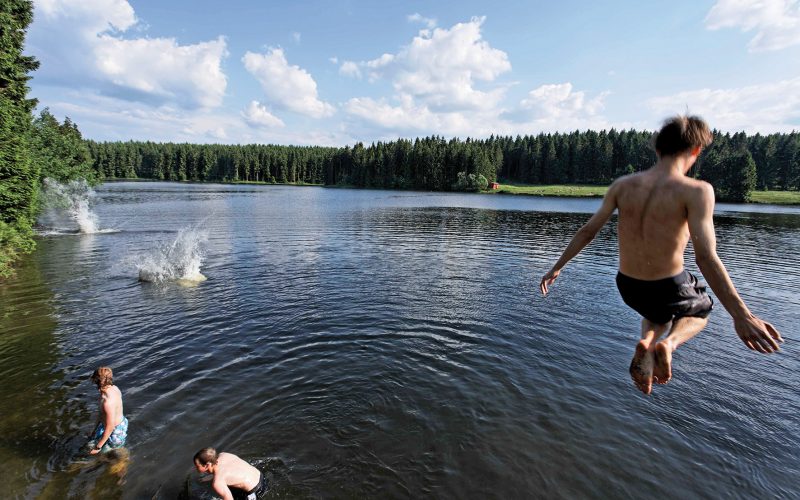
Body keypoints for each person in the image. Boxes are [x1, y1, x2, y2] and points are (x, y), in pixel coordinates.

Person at [540, 115, 783, 395]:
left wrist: (557, 267)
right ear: (696, 151)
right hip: (669, 283)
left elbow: (587, 232)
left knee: (656, 312)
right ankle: (667, 344)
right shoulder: (696, 191)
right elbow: (706, 258)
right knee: (702, 309)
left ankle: (648, 340)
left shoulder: (623, 185)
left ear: (657, 149)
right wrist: (742, 315)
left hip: (628, 284)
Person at [193, 447, 268, 500]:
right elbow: (224, 470)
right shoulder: (223, 454)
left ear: (206, 465)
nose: (195, 468)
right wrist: (211, 477)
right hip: (261, 477)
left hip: (256, 491)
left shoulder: (218, 482)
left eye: (197, 466)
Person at [88, 366, 128, 453]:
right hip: (111, 424)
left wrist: (98, 448)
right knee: (91, 442)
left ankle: (121, 458)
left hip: (115, 430)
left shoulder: (108, 402)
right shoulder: (114, 388)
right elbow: (101, 413)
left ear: (97, 381)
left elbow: (110, 427)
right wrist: (94, 429)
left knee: (106, 452)